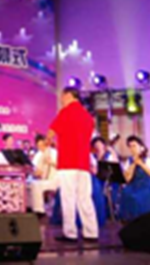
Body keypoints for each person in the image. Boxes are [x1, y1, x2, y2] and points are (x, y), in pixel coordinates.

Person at [47, 87, 98, 243]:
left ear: (69, 95)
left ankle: (70, 233)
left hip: (68, 162)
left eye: (62, 96)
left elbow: (51, 133)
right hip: (83, 163)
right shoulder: (88, 116)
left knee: (68, 198)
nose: (61, 100)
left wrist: (50, 142)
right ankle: (91, 232)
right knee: (85, 199)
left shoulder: (65, 112)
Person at [119, 136, 150, 222]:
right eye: (130, 146)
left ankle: (143, 220)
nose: (132, 148)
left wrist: (140, 163)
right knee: (125, 193)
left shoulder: (148, 160)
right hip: (133, 185)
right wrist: (134, 164)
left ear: (141, 147)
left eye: (134, 146)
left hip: (145, 185)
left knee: (138, 197)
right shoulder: (129, 161)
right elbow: (127, 179)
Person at [28, 134, 58, 216]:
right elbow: (37, 170)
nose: (41, 147)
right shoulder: (39, 155)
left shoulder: (54, 152)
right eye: (39, 146)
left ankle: (39, 210)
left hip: (54, 180)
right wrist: (32, 172)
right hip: (44, 180)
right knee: (29, 184)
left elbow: (61, 166)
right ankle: (30, 207)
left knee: (36, 185)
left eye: (42, 145)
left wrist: (51, 162)